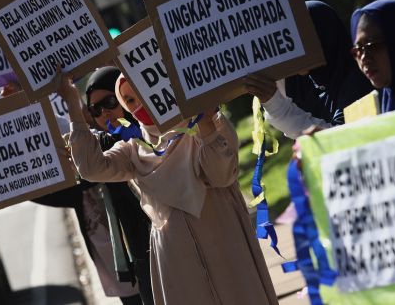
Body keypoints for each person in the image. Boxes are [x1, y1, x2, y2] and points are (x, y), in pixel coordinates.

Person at [58, 71, 279, 305]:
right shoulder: (134, 149)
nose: (139, 104)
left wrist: (204, 122)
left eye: (142, 93)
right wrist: (73, 102)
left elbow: (221, 175)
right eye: (130, 100)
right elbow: (91, 168)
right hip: (177, 262)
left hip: (227, 248)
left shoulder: (209, 123)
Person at [33, 67, 154, 305]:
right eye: (95, 109)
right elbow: (78, 149)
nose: (104, 113)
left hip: (180, 251)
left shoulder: (156, 134)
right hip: (140, 261)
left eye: (111, 101)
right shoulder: (110, 147)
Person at [244, 0, 373, 139]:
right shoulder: (302, 80)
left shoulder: (361, 83)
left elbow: (342, 139)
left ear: (324, 38)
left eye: (301, 40)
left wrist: (275, 105)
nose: (292, 49)